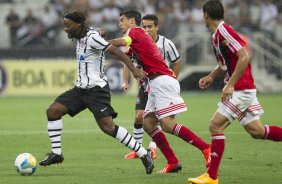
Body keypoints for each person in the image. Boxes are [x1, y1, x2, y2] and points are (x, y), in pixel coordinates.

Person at [39, 10, 154, 175]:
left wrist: (134, 70)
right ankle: (57, 153)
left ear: (78, 25)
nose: (65, 29)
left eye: (68, 26)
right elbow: (102, 30)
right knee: (53, 111)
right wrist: (101, 31)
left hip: (96, 90)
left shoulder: (92, 38)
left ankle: (144, 154)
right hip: (80, 89)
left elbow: (116, 51)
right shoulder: (84, 34)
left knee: (108, 127)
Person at [188, 1, 282, 184]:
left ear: (206, 15)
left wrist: (230, 85)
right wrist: (211, 76)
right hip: (243, 88)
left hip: (241, 89)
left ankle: (211, 177)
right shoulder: (217, 35)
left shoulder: (223, 31)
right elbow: (225, 63)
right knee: (257, 131)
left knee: (215, 126)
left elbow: (244, 56)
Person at [109, 9, 211, 174]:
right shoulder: (137, 37)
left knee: (167, 125)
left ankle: (206, 148)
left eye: (122, 20)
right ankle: (173, 162)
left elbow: (121, 42)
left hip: (162, 81)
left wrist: (101, 42)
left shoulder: (134, 31)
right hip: (154, 83)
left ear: (132, 21)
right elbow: (123, 54)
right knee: (148, 124)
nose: (119, 23)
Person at [122, 14, 181, 161]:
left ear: (156, 27)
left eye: (150, 26)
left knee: (159, 119)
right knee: (139, 117)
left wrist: (173, 78)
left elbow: (177, 62)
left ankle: (153, 149)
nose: (147, 29)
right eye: (144, 26)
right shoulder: (139, 41)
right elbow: (128, 60)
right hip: (146, 85)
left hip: (161, 84)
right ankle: (138, 149)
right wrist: (127, 80)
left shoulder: (166, 43)